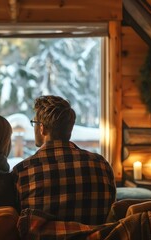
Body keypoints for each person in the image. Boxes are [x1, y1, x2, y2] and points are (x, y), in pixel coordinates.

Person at [12, 95, 116, 225]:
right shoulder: (101, 165)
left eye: (34, 123)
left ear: (42, 128)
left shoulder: (22, 172)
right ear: (70, 129)